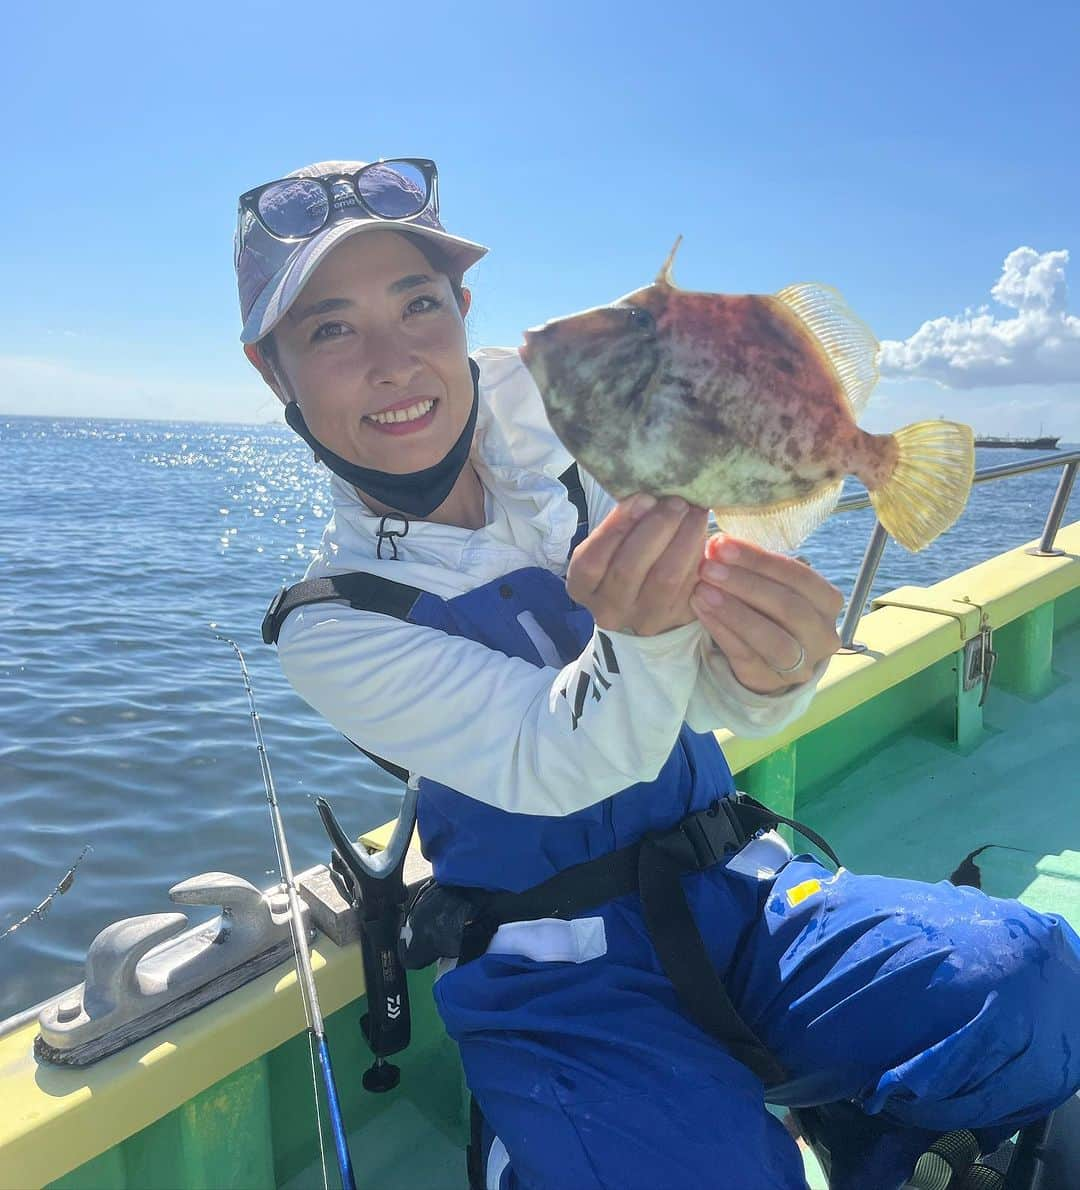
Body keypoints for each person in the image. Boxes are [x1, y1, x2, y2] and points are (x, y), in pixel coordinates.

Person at [236, 158, 1080, 1190]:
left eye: (419, 304)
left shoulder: (585, 440)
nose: (394, 359)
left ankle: (873, 1126)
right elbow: (552, 760)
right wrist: (639, 638)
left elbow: (712, 697)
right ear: (272, 370)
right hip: (553, 970)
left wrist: (774, 671)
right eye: (331, 329)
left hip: (739, 881)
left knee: (1033, 981)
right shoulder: (332, 621)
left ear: (463, 309)